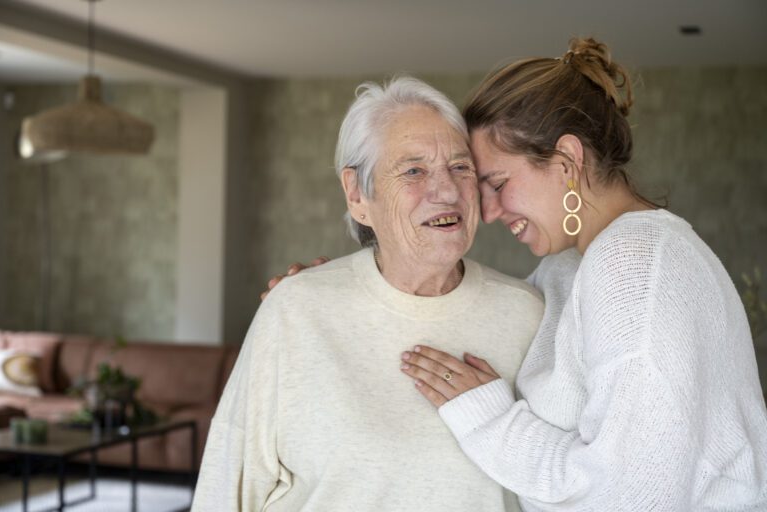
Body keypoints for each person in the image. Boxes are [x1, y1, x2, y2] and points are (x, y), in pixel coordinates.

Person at [268, 39, 767, 510]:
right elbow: (466, 323)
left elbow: (634, 500)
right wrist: (338, 296)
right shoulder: (568, 271)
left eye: (498, 182)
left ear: (568, 161)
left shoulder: (637, 262)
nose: (485, 211)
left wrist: (491, 423)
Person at [192, 76, 544, 511]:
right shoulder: (296, 309)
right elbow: (228, 486)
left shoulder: (528, 314)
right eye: (413, 170)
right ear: (358, 194)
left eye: (460, 167)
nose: (447, 191)